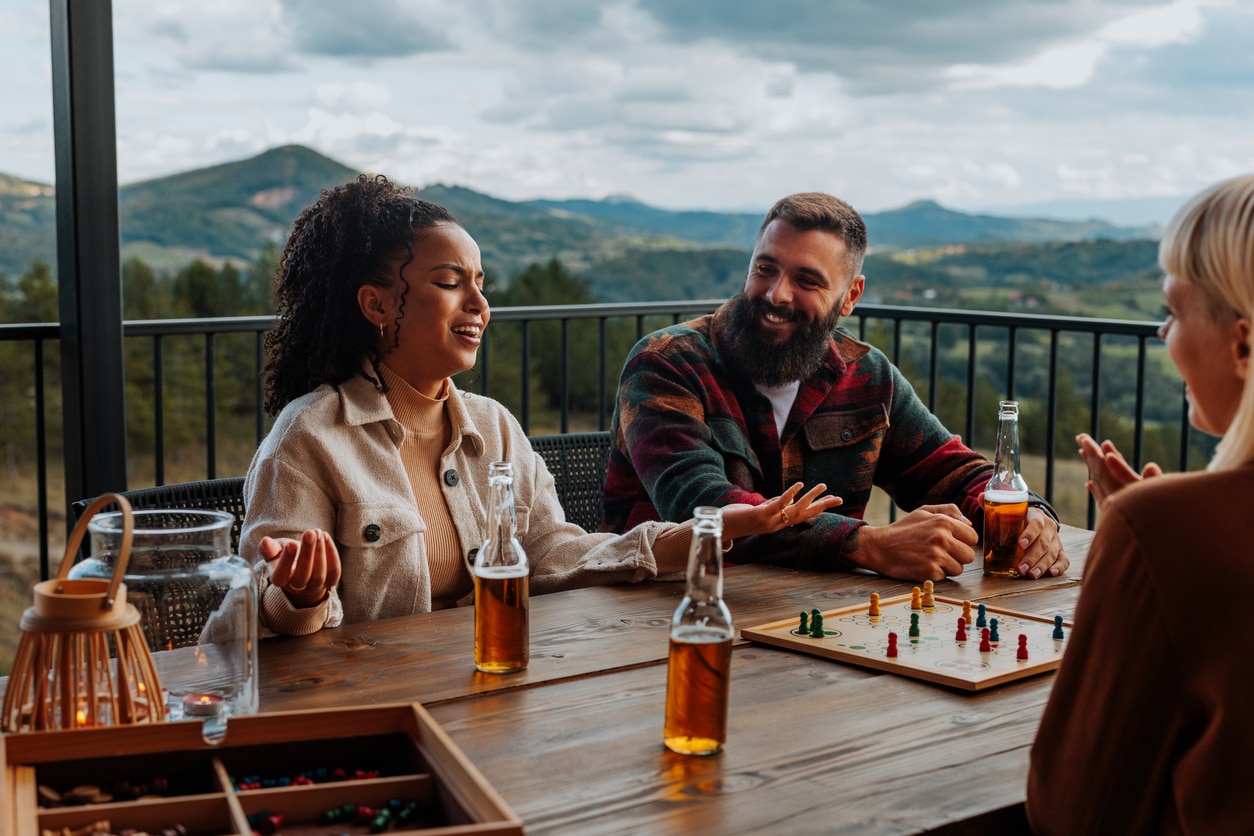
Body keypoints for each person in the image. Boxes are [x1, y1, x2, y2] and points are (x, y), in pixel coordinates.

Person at [241, 174, 840, 636]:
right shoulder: (309, 439)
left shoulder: (493, 426)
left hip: (496, 684)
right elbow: (261, 619)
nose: (479, 303)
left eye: (481, 283)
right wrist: (300, 596)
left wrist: (703, 534)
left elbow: (551, 552)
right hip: (379, 708)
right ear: (375, 305)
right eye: (451, 283)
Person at [603, 191, 1068, 582]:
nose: (776, 293)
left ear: (850, 296)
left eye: (806, 280)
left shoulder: (868, 376)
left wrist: (1028, 519)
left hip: (818, 625)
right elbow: (702, 506)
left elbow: (950, 472)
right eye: (765, 269)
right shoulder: (665, 364)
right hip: (665, 612)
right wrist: (866, 544)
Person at [1027, 174, 1254, 833]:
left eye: (1174, 312)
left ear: (1242, 344)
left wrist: (1146, 542)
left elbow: (1072, 811)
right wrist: (1152, 560)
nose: (1163, 334)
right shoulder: (1169, 530)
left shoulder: (1164, 529)